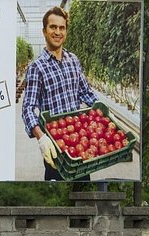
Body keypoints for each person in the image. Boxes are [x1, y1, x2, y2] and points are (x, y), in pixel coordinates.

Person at [21, 6, 97, 181]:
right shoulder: (36, 67)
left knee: (83, 191)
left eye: (61, 28)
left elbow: (86, 92)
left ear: (66, 31)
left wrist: (104, 112)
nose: (57, 32)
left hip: (80, 146)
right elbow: (27, 108)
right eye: (53, 27)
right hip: (56, 149)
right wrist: (41, 137)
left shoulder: (73, 61)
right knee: (58, 197)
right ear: (44, 31)